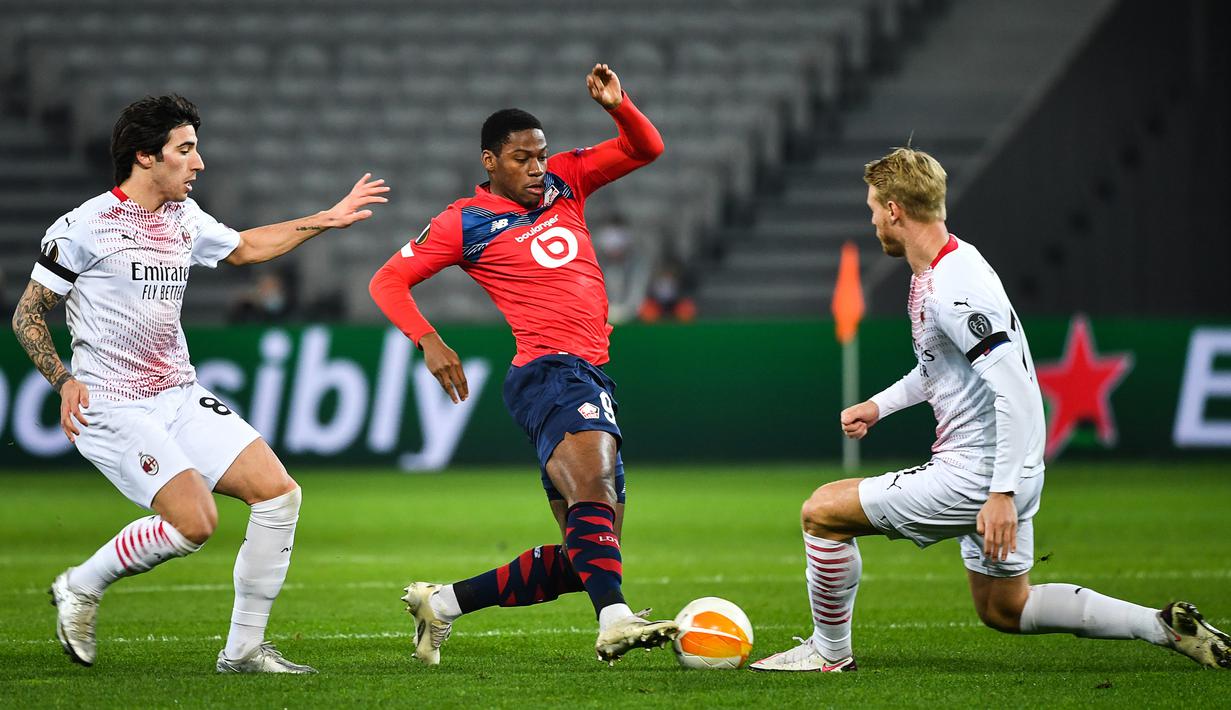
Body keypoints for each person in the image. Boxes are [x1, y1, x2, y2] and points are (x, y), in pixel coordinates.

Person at [750, 147, 1229, 672]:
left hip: (980, 474)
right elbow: (940, 369)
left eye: (871, 208)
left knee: (822, 513)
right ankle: (1163, 627)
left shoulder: (955, 290)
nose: (871, 221)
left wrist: (999, 493)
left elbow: (1020, 391)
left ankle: (828, 653)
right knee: (1005, 607)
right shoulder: (951, 263)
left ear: (894, 211)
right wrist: (878, 407)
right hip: (1011, 469)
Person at [11, 95, 388, 673]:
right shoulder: (82, 227)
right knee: (196, 522)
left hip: (178, 394)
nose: (199, 163)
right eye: (185, 150)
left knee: (279, 494)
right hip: (111, 404)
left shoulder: (184, 219)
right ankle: (80, 587)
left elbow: (246, 248)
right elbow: (28, 315)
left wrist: (325, 219)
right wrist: (62, 379)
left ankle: (242, 652)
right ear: (145, 157)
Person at [369, 64, 674, 666]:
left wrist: (618, 105)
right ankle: (614, 620)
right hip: (549, 370)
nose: (537, 168)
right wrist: (429, 339)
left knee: (589, 552)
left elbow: (647, 147)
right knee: (596, 488)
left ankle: (444, 604)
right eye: (521, 159)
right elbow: (388, 280)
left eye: (540, 155)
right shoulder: (464, 222)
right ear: (490, 161)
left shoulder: (567, 179)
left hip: (589, 370)